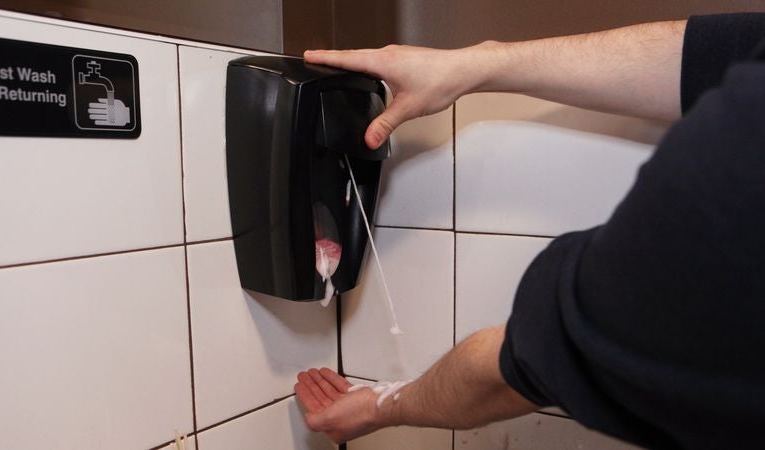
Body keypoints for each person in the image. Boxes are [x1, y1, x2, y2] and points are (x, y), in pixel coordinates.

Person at [295, 13, 765, 449]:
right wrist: (475, 64)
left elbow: (514, 365)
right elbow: (703, 56)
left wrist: (379, 406)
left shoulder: (723, 218)